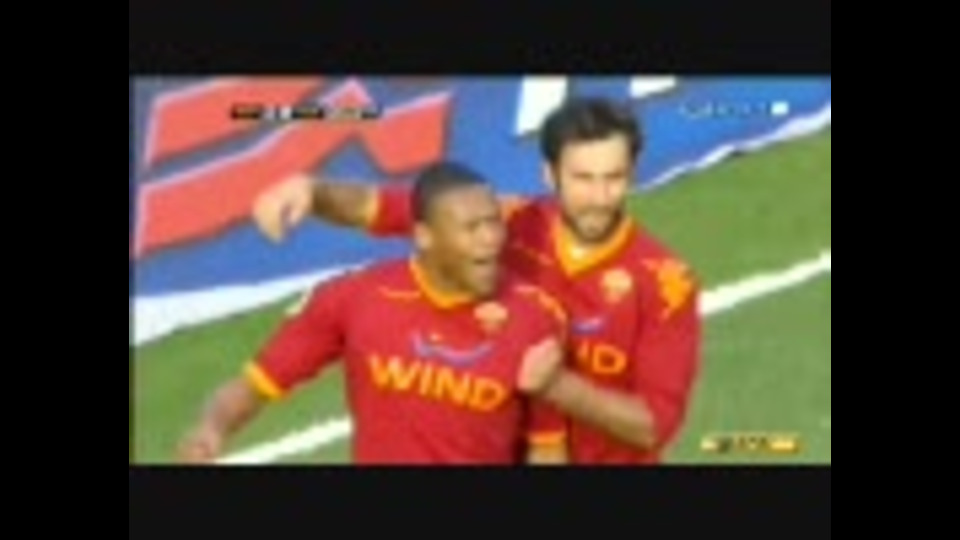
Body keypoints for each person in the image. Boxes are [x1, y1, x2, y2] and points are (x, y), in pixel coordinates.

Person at [252, 98, 702, 464]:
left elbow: (652, 427)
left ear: (632, 173)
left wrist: (557, 386)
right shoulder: (506, 223)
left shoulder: (666, 283)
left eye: (614, 178)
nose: (600, 198)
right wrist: (312, 192)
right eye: (583, 179)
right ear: (550, 174)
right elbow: (382, 208)